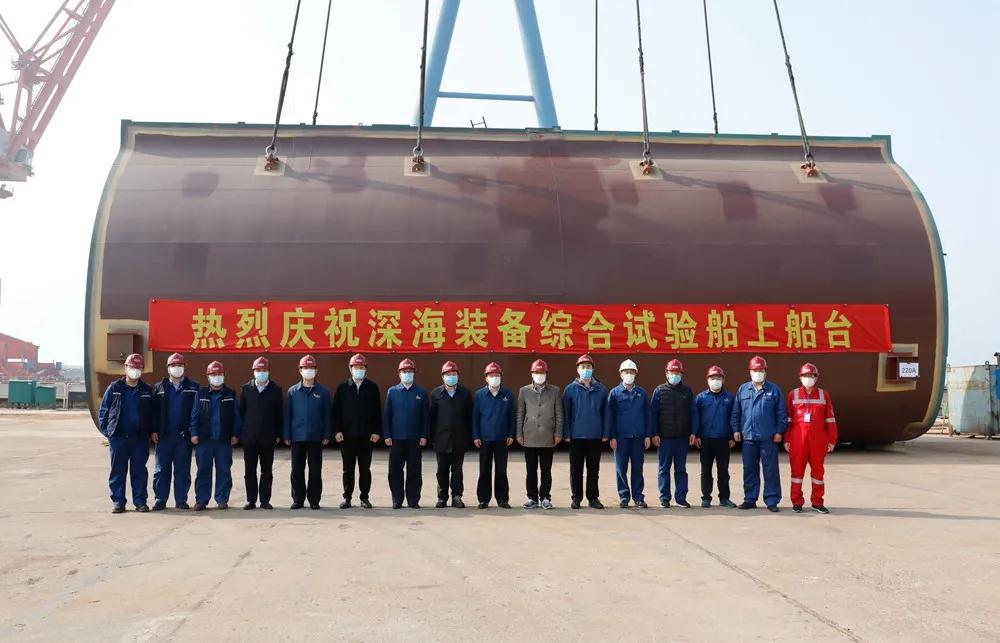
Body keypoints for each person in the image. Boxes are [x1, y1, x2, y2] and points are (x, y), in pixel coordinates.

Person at [97, 353, 154, 513]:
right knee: (118, 471)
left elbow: (153, 414)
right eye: (132, 367)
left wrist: (151, 432)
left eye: (138, 367)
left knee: (139, 471)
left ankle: (140, 502)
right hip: (118, 438)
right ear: (126, 368)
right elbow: (104, 411)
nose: (135, 370)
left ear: (142, 369)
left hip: (139, 439)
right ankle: (118, 502)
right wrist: (108, 432)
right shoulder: (114, 388)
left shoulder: (147, 390)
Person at [730, 355, 787, 513]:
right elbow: (736, 412)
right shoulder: (743, 389)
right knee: (749, 470)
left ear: (765, 372)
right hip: (749, 438)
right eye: (755, 370)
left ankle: (772, 500)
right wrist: (736, 430)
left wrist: (779, 431)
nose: (758, 373)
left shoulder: (774, 390)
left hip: (768, 438)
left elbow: (782, 413)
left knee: (771, 470)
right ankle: (750, 499)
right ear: (750, 371)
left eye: (761, 370)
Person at [785, 363, 838, 514]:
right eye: (805, 375)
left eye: (811, 376)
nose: (808, 378)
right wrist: (787, 439)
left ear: (816, 378)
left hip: (818, 440)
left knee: (818, 473)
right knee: (796, 472)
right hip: (798, 440)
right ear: (800, 377)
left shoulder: (823, 395)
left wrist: (832, 440)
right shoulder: (793, 395)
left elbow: (830, 419)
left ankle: (817, 502)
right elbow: (788, 419)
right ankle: (797, 502)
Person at [331, 353, 382, 509]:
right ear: (350, 368)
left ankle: (364, 497)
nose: (358, 370)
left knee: (365, 469)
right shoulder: (342, 387)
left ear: (366, 369)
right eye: (356, 367)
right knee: (348, 470)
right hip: (347, 437)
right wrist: (337, 431)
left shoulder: (372, 387)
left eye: (361, 367)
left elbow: (377, 411)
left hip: (367, 437)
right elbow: (336, 411)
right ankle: (347, 498)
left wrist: (376, 431)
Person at [150, 352, 199, 510]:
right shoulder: (159, 387)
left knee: (182, 471)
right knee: (161, 470)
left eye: (179, 365)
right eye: (173, 365)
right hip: (164, 437)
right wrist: (154, 430)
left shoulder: (193, 387)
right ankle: (160, 500)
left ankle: (181, 500)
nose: (176, 368)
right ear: (168, 368)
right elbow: (153, 412)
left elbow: (197, 412)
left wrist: (194, 432)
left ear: (184, 367)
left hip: (183, 438)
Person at [283, 355, 331, 510]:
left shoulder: (323, 392)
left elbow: (327, 415)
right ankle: (298, 499)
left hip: (316, 437)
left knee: (315, 470)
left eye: (311, 368)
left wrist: (326, 434)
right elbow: (288, 414)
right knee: (297, 470)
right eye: (305, 368)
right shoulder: (292, 391)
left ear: (316, 370)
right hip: (297, 437)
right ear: (300, 370)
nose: (308, 371)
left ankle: (314, 500)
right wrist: (287, 434)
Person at [192, 360, 241, 510]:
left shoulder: (230, 394)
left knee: (224, 471)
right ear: (208, 376)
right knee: (203, 471)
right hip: (204, 440)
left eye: (219, 374)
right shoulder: (201, 393)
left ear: (224, 375)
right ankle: (201, 500)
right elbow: (194, 415)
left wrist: (235, 434)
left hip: (223, 441)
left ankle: (222, 499)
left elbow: (236, 416)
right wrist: (193, 433)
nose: (217, 377)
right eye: (213, 374)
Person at [562, 354, 608, 509]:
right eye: (583, 367)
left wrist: (605, 432)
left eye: (588, 367)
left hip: (595, 435)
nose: (586, 369)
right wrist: (567, 433)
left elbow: (606, 413)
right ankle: (576, 498)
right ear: (577, 369)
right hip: (576, 436)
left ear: (593, 369)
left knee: (593, 470)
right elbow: (566, 413)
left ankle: (593, 498)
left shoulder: (601, 389)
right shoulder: (570, 390)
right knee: (576, 470)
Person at [649, 359, 696, 508]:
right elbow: (653, 414)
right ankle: (664, 498)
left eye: (677, 373)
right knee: (664, 469)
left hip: (682, 438)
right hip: (664, 438)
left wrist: (693, 432)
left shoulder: (687, 391)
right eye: (672, 372)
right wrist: (654, 434)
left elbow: (693, 413)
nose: (674, 375)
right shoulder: (659, 390)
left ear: (681, 374)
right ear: (666, 373)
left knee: (681, 469)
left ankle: (681, 498)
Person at [516, 359, 562, 510]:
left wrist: (558, 433)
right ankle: (532, 497)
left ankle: (545, 497)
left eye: (541, 372)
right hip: (529, 436)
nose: (539, 375)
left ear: (546, 374)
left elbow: (559, 414)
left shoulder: (555, 391)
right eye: (536, 372)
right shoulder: (524, 391)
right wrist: (519, 434)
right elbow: (520, 413)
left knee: (546, 470)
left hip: (548, 436)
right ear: (532, 374)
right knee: (531, 470)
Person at [383, 358, 429, 509]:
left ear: (414, 373)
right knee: (395, 471)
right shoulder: (392, 391)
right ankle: (397, 499)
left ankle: (413, 500)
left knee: (414, 471)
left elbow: (425, 416)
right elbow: (387, 415)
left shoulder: (421, 392)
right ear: (399, 374)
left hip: (415, 439)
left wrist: (424, 435)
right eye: (404, 372)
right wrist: (387, 435)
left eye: (409, 371)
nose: (407, 374)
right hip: (396, 439)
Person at [605, 359, 651, 508]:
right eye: (626, 372)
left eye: (631, 372)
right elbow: (610, 417)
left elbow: (647, 415)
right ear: (621, 374)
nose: (629, 374)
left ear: (636, 374)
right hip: (621, 438)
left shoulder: (641, 393)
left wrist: (647, 435)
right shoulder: (614, 393)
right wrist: (612, 436)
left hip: (638, 437)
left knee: (638, 468)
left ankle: (638, 497)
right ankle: (624, 496)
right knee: (621, 469)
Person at [239, 356, 282, 510]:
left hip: (268, 437)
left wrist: (278, 434)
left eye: (264, 370)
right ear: (253, 371)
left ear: (269, 371)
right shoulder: (246, 389)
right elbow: (241, 413)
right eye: (258, 370)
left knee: (267, 471)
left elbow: (279, 414)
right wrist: (241, 434)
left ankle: (265, 500)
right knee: (249, 471)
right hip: (249, 438)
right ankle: (251, 500)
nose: (261, 372)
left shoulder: (276, 390)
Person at [428, 360, 473, 508]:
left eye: (454, 374)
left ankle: (457, 496)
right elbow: (432, 417)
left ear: (458, 376)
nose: (451, 377)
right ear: (443, 376)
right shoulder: (436, 394)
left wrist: (469, 437)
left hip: (459, 439)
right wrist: (432, 438)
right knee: (442, 470)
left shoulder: (465, 393)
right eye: (448, 374)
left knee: (457, 471)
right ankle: (442, 497)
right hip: (442, 439)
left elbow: (469, 416)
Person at [472, 362, 516, 509]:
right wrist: (476, 435)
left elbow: (512, 416)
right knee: (484, 471)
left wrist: (511, 434)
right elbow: (475, 417)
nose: (494, 378)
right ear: (486, 378)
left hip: (502, 439)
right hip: (484, 439)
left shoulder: (508, 394)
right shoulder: (479, 395)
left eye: (497, 375)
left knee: (501, 471)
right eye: (491, 375)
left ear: (501, 377)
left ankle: (502, 499)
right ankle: (483, 499)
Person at [693, 365, 737, 508]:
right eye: (712, 378)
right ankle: (706, 498)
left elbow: (733, 417)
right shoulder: (701, 398)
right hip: (706, 439)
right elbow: (696, 418)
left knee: (723, 471)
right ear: (707, 380)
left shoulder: (730, 397)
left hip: (723, 439)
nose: (715, 381)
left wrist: (732, 436)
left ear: (723, 379)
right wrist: (697, 435)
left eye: (718, 378)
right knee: (706, 471)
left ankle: (724, 498)